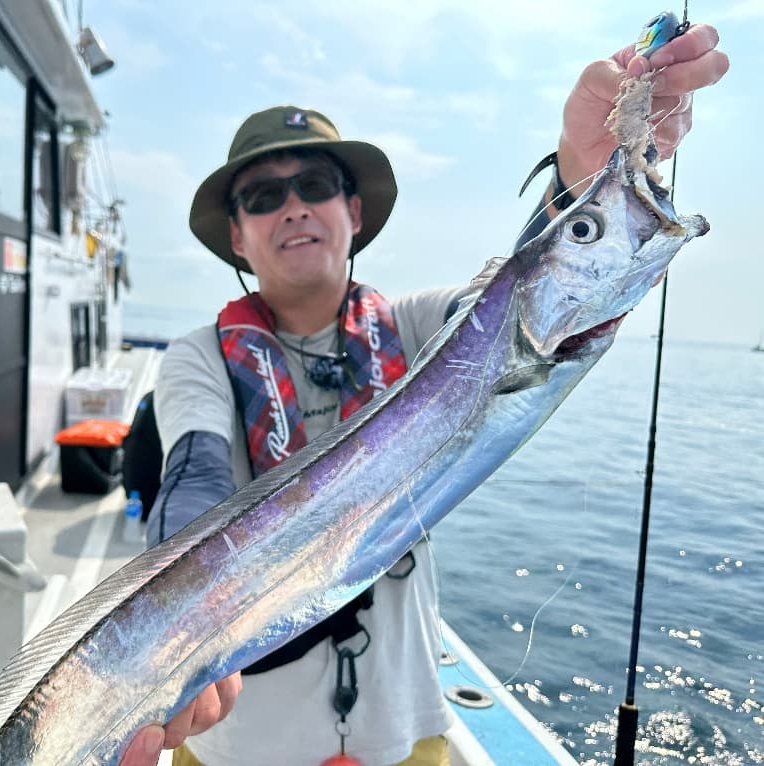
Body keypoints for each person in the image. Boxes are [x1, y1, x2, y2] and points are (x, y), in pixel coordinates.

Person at [120, 23, 728, 766]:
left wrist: (580, 178)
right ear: (238, 239)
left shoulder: (414, 328)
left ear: (355, 213)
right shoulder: (199, 358)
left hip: (405, 735)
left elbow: (512, 312)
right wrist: (172, 621)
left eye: (315, 186)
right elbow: (194, 478)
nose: (293, 208)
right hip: (237, 746)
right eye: (262, 196)